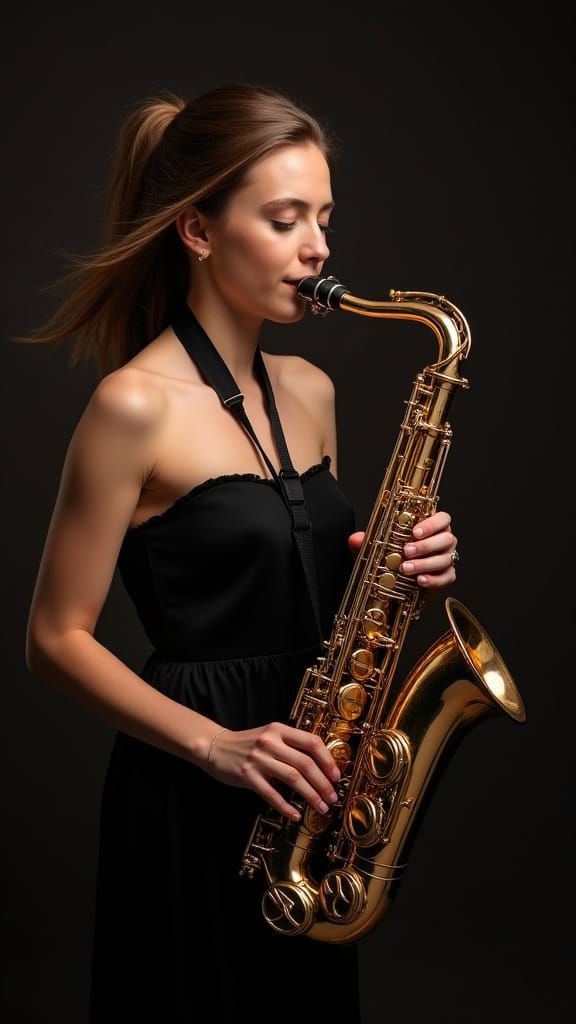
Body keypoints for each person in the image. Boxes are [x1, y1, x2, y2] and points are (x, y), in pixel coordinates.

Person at [23, 83, 458, 1023]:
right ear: (198, 230)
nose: (319, 249)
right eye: (284, 218)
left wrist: (406, 569)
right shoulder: (132, 406)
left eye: (325, 218)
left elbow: (322, 599)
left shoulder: (312, 388)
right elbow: (54, 639)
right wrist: (215, 744)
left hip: (311, 786)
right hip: (191, 786)